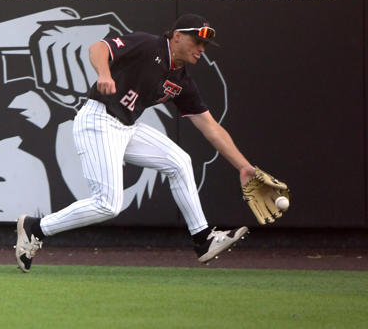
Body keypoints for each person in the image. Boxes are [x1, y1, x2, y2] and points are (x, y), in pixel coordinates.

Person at [14, 14, 257, 272]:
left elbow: (211, 127)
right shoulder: (148, 44)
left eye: (205, 45)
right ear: (176, 36)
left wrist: (243, 167)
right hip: (99, 119)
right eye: (196, 41)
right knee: (107, 204)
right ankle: (35, 227)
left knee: (179, 161)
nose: (201, 49)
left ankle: (203, 238)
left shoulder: (181, 80)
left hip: (126, 127)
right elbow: (98, 48)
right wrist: (104, 74)